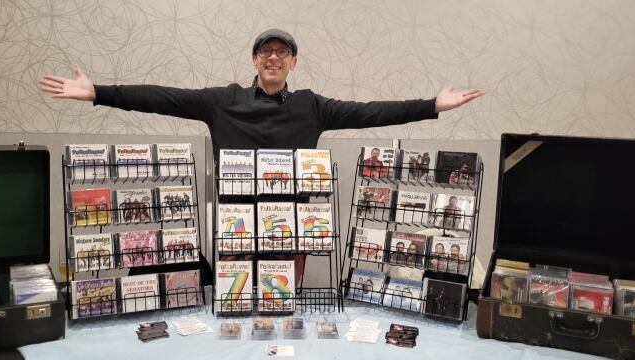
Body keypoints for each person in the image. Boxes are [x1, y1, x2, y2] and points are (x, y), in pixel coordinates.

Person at [40, 29, 484, 285]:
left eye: (283, 52)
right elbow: (163, 97)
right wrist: (99, 93)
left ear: (293, 63)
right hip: (235, 222)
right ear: (254, 59)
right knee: (236, 300)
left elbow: (369, 112)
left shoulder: (313, 105)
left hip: (291, 224)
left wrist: (430, 106)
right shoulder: (222, 100)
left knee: (281, 298)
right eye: (266, 51)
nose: (274, 57)